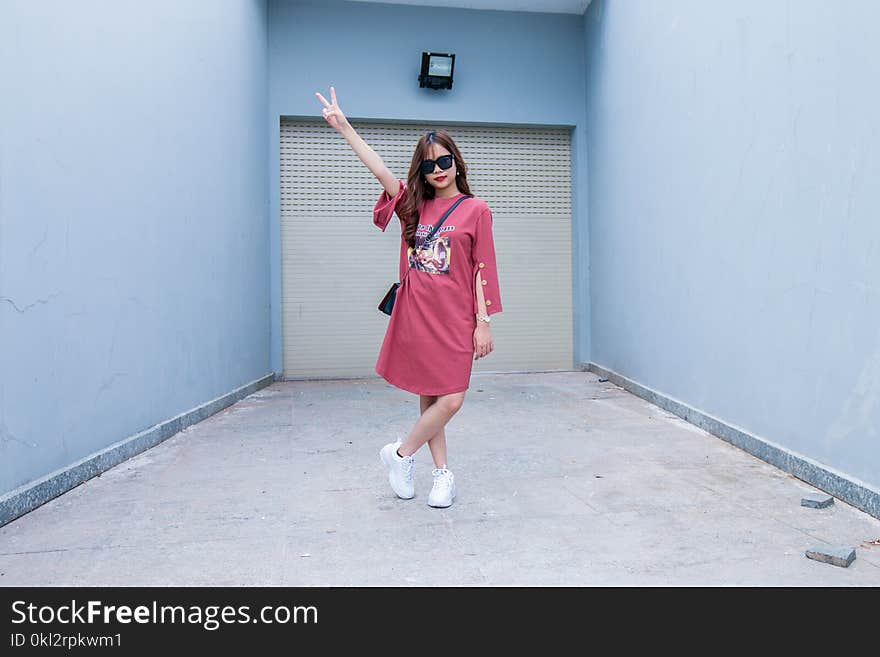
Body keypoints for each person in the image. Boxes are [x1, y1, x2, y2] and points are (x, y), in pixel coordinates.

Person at [315, 86, 503, 508]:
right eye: (430, 164)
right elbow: (379, 170)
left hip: (456, 319)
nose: (438, 169)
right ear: (422, 170)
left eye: (445, 161)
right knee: (430, 395)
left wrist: (483, 321)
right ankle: (441, 476)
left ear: (456, 162)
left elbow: (481, 268)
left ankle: (399, 454)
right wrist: (344, 127)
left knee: (450, 398)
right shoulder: (413, 208)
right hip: (417, 314)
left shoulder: (477, 210)